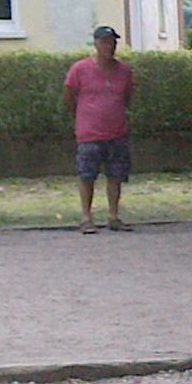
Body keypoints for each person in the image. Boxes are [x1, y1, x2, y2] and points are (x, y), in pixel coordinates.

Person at [63, 25, 135, 235]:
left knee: (116, 175)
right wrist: (81, 115)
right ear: (95, 44)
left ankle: (113, 215)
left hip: (117, 132)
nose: (109, 46)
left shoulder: (124, 71)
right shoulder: (80, 69)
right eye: (104, 42)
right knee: (87, 175)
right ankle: (86, 217)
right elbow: (68, 96)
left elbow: (127, 97)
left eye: (112, 42)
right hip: (89, 133)